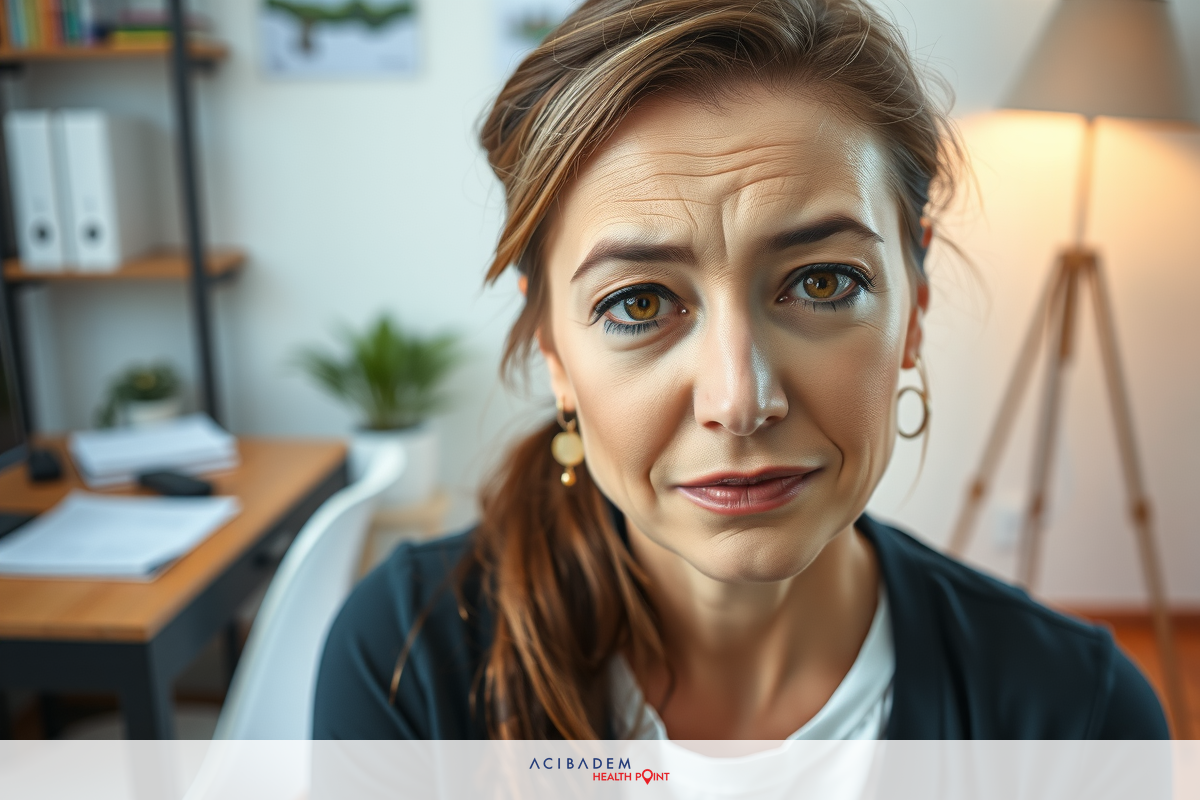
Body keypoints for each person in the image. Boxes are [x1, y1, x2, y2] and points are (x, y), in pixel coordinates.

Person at [313, 0, 1167, 740]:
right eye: (640, 304)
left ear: (916, 303)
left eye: (823, 283)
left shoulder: (1077, 714)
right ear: (552, 349)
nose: (741, 399)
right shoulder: (406, 658)